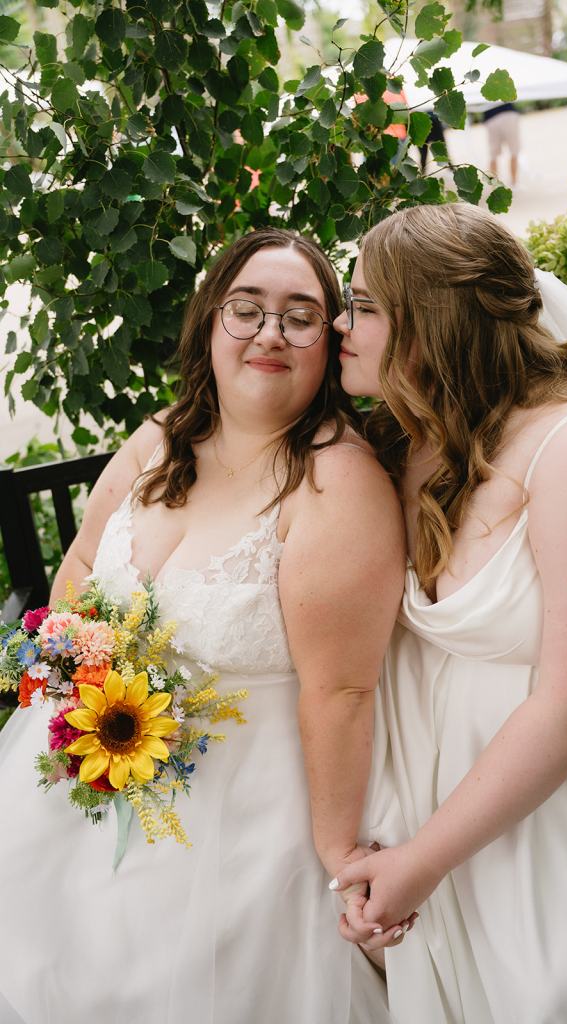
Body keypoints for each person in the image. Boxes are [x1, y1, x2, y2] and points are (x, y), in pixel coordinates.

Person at [0, 228, 406, 1023]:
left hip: (240, 837)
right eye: (247, 309)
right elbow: (79, 566)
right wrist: (78, 693)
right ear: (212, 322)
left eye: (300, 316)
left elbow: (343, 691)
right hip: (88, 776)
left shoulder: (337, 483)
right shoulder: (161, 437)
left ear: (330, 341)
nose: (269, 334)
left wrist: (338, 858)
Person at [329, 203, 567, 1023]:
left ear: (434, 321)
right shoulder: (407, 441)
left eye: (366, 306)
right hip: (437, 826)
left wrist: (422, 861)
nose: (343, 326)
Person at [483, 102, 521, 185]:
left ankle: (495, 185)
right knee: (513, 150)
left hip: (491, 115)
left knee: (493, 154)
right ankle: (514, 182)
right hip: (506, 113)